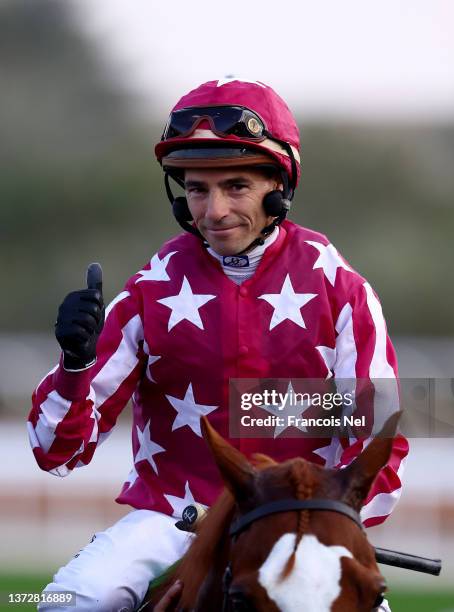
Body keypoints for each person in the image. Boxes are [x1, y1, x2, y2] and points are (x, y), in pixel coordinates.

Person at [28, 77, 408, 611]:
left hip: (304, 521)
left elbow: (376, 444)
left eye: (236, 187)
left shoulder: (342, 290)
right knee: (67, 601)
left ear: (279, 187)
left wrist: (326, 524)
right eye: (197, 189)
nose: (213, 212)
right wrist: (75, 363)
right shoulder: (149, 290)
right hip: (172, 519)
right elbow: (55, 452)